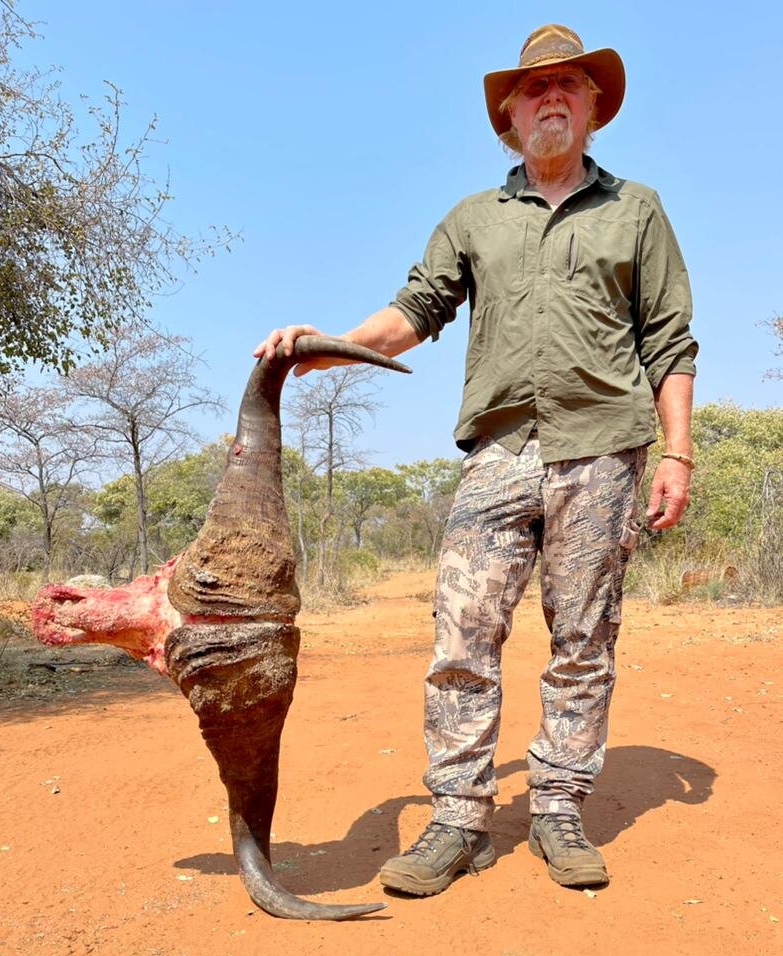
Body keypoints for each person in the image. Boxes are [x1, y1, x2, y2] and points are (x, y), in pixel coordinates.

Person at [255, 24, 697, 896]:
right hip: (498, 451)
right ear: (509, 112)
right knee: (463, 633)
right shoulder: (473, 219)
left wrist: (675, 451)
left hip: (603, 450)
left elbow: (670, 341)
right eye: (535, 89)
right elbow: (415, 311)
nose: (552, 98)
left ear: (594, 105)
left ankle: (560, 808)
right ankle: (459, 818)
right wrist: (325, 343)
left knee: (583, 637)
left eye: (569, 84)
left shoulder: (636, 210)